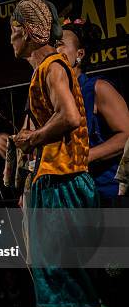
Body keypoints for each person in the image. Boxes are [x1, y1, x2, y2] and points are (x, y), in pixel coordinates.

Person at [9, 0, 108, 307]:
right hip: (54, 180)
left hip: (66, 182)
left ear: (29, 32)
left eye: (13, 31)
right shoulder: (44, 70)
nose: (11, 40)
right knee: (65, 285)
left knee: (76, 285)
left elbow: (69, 115)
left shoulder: (51, 65)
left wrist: (32, 139)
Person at [55, 18, 129, 202]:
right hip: (67, 198)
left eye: (60, 45)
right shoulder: (53, 97)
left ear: (79, 54)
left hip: (103, 194)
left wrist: (84, 157)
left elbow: (127, 135)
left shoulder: (97, 88)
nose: (54, 51)